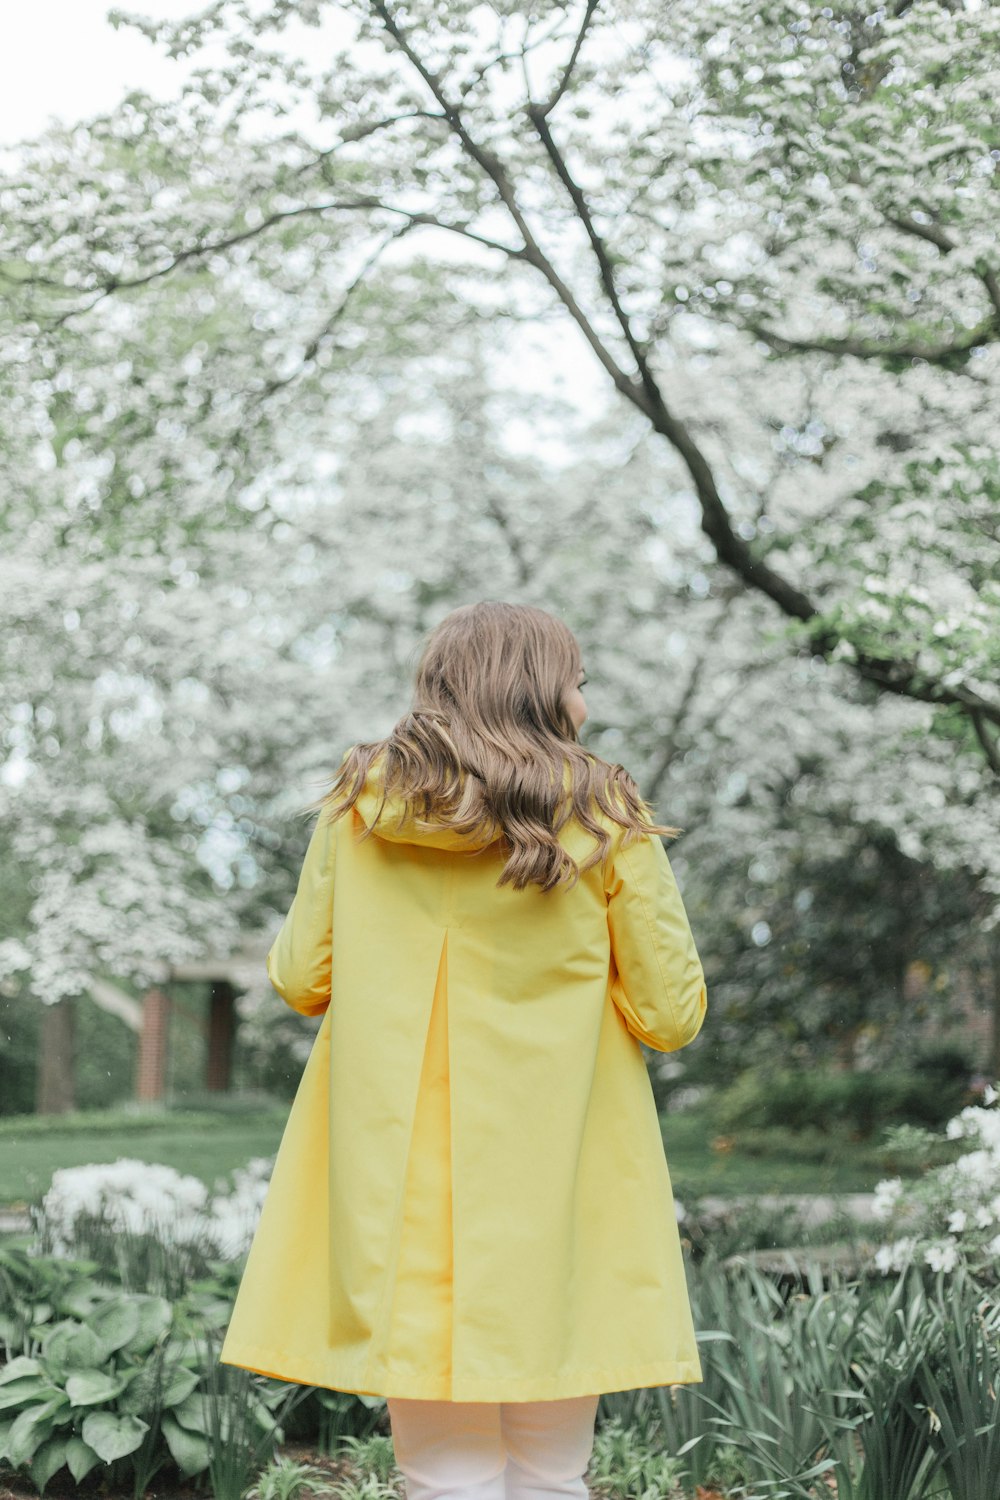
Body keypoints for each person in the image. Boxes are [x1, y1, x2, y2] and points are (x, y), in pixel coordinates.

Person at [220, 600, 708, 1500]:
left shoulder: (361, 806)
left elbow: (298, 978)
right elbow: (670, 1012)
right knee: (553, 1476)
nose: (586, 705)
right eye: (578, 683)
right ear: (541, 690)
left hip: (404, 1184)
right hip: (562, 1180)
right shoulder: (603, 810)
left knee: (442, 1478)